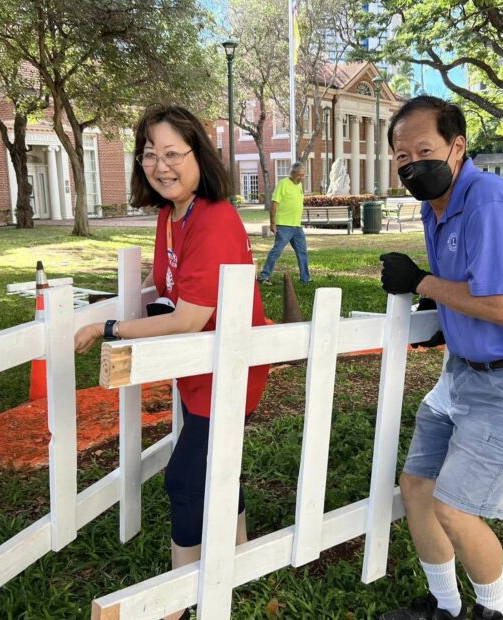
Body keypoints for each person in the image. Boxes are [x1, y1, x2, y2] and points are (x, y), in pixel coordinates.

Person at [377, 96, 503, 620]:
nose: (412, 163)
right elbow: (467, 289)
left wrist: (420, 280)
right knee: (416, 488)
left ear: (457, 148)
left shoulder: (485, 200)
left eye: (424, 150)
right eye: (401, 155)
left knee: (455, 508)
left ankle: (495, 612)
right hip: (463, 375)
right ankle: (445, 606)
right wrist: (443, 316)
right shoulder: (433, 206)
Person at [74, 104, 269, 620]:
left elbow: (187, 316)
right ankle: (241, 554)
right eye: (149, 155)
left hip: (231, 368)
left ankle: (181, 598)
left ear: (198, 155)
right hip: (199, 364)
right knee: (214, 464)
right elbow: (168, 291)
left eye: (172, 154)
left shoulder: (215, 219)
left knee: (184, 478)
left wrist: (109, 328)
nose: (161, 166)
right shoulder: (170, 215)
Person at [257, 162, 311, 284]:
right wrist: (272, 223)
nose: (302, 178)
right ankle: (264, 276)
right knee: (276, 251)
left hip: (296, 226)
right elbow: (274, 204)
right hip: (284, 226)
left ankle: (305, 279)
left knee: (302, 252)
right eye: (299, 175)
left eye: (303, 175)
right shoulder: (283, 184)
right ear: (292, 174)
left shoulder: (299, 185)